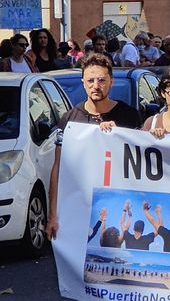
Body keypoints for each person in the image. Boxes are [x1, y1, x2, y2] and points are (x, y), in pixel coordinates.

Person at [47, 54, 142, 239]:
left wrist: (120, 135)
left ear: (111, 81)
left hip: (119, 201)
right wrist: (52, 214)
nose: (96, 86)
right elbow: (58, 168)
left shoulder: (129, 116)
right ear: (83, 82)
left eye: (101, 80)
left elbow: (142, 161)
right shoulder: (69, 119)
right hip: (79, 206)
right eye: (90, 81)